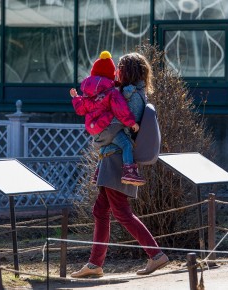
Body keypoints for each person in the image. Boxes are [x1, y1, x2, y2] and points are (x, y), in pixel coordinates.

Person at [70, 52, 169, 278]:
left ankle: (156, 255)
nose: (116, 72)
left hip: (116, 157)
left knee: (121, 212)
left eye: (121, 68)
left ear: (129, 70)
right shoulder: (130, 92)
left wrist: (99, 135)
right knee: (100, 210)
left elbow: (122, 125)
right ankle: (95, 265)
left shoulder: (132, 95)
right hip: (112, 156)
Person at [70, 51, 145, 186]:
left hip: (94, 129)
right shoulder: (112, 92)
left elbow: (80, 109)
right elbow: (121, 109)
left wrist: (75, 98)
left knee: (106, 144)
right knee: (126, 144)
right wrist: (131, 122)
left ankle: (98, 172)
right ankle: (129, 172)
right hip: (108, 127)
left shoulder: (87, 95)